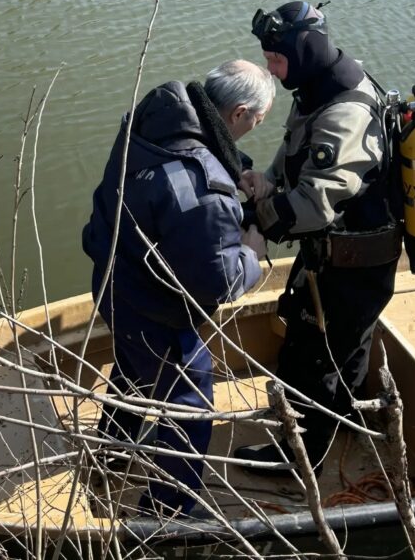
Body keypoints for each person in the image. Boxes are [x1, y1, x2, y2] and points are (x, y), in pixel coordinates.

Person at [82, 59, 274, 516]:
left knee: (131, 370)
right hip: (159, 316)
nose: (255, 129)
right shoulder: (202, 189)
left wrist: (235, 167)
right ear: (239, 113)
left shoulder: (148, 123)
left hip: (114, 285)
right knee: (190, 412)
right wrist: (251, 254)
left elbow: (174, 177)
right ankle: (166, 512)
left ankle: (110, 450)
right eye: (257, 122)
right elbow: (217, 280)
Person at [234, 0, 401, 476]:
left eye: (276, 57)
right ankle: (340, 419)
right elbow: (294, 155)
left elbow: (312, 206)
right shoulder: (316, 88)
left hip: (352, 265)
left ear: (304, 49)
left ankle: (298, 459)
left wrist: (257, 220)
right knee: (342, 348)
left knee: (315, 356)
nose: (270, 67)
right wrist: (264, 184)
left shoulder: (343, 113)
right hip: (339, 258)